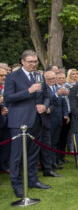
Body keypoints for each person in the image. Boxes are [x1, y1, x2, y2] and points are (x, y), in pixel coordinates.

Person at [4, 50, 51, 197]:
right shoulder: (13, 77)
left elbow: (47, 95)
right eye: (30, 62)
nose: (33, 64)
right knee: (17, 156)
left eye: (35, 61)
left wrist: (44, 105)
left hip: (36, 120)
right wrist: (29, 91)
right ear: (23, 62)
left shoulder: (39, 75)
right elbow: (8, 97)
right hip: (19, 122)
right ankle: (17, 184)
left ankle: (32, 180)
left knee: (33, 154)